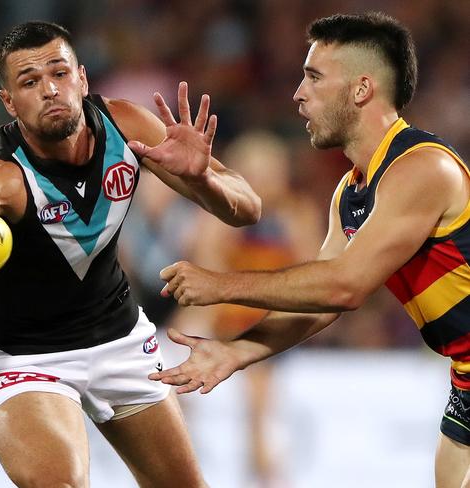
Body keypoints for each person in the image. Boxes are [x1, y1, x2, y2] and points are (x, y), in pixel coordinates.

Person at [0, 21, 261, 488]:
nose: (50, 90)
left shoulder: (130, 127)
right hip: (24, 357)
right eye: (30, 82)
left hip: (118, 339)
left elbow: (247, 210)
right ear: (9, 102)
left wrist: (204, 180)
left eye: (59, 73)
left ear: (82, 77)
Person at [153, 12, 470, 488]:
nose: (298, 94)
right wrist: (235, 353)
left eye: (314, 77)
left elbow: (345, 286)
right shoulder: (351, 191)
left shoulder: (422, 168)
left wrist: (219, 285)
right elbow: (322, 298)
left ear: (361, 89)